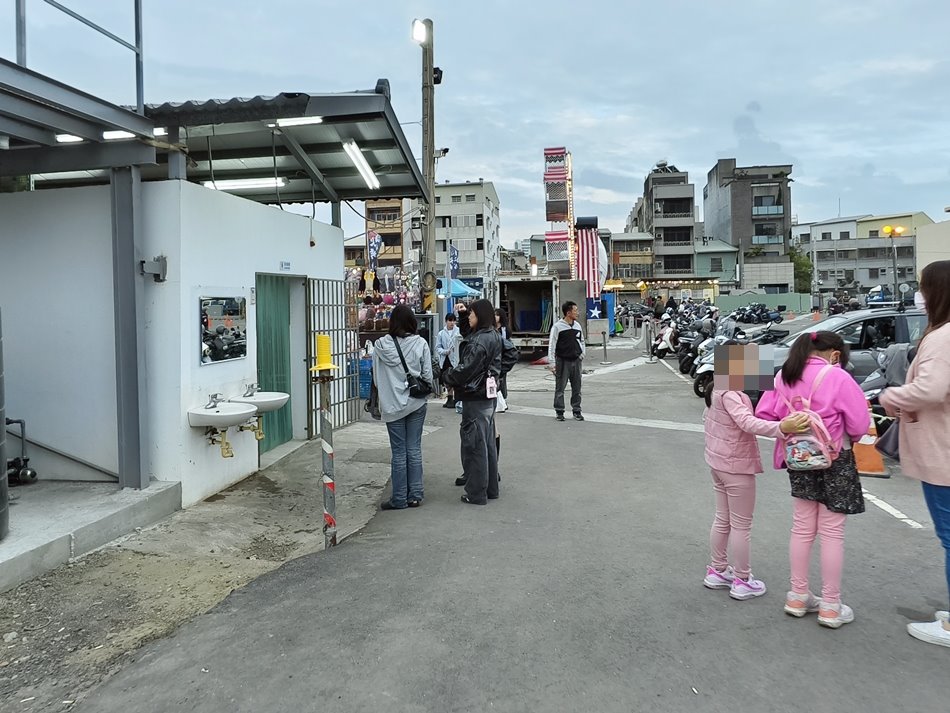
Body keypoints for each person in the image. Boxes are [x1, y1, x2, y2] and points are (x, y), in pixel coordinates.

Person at [756, 331, 870, 628]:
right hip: (836, 459)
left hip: (799, 459)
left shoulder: (782, 376)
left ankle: (797, 596)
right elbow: (859, 424)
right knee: (832, 533)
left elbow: (763, 413)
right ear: (833, 353)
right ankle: (830, 605)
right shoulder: (838, 377)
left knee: (802, 528)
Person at [879, 260, 950, 648]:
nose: (919, 296)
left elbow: (930, 389)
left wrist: (890, 396)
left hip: (943, 454)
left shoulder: (942, 337)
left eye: (923, 288)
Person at [703, 357, 809, 600]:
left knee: (723, 519)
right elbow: (747, 423)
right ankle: (742, 580)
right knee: (741, 525)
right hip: (736, 465)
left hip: (718, 463)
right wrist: (783, 427)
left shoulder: (716, 390)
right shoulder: (731, 393)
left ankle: (717, 570)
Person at [443, 299, 518, 505]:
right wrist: (496, 374)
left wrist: (446, 376)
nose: (469, 316)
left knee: (475, 445)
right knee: (487, 444)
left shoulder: (479, 341)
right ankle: (491, 488)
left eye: (472, 314)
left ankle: (476, 492)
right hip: (488, 396)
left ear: (480, 316)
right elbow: (511, 354)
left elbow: (465, 370)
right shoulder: (493, 335)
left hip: (474, 396)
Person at [371, 304, 433, 510]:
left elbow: (376, 376)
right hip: (416, 403)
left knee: (398, 452)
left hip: (392, 405)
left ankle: (399, 498)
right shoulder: (421, 343)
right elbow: (428, 377)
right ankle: (415, 495)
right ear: (412, 322)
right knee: (413, 448)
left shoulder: (380, 345)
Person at [548, 301, 585, 422]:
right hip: (562, 361)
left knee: (577, 387)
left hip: (576, 360)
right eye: (575, 310)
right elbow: (552, 345)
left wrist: (582, 354)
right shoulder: (558, 326)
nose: (577, 313)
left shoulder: (577, 326)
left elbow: (582, 341)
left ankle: (577, 410)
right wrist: (552, 363)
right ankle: (559, 411)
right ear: (568, 313)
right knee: (560, 387)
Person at [436, 313, 462, 409]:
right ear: (446, 321)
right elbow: (438, 347)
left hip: (456, 359)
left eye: (453, 321)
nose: (452, 323)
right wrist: (445, 351)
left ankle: (456, 397)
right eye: (450, 321)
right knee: (446, 379)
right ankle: (450, 397)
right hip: (445, 359)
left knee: (455, 378)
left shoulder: (459, 332)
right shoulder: (441, 333)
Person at [495, 308, 511, 402]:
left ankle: (502, 397)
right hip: (494, 356)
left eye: (497, 315)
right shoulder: (492, 328)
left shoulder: (504, 329)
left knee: (502, 378)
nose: (495, 317)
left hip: (502, 357)